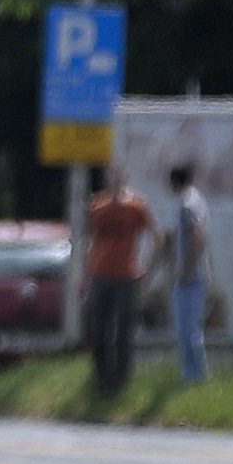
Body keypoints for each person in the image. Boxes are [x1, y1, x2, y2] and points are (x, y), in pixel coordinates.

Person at [84, 171, 156, 396]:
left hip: (125, 276)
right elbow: (92, 241)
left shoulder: (136, 206)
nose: (113, 181)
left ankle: (120, 382)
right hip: (100, 275)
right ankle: (101, 380)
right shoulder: (98, 205)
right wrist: (86, 275)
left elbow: (157, 238)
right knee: (99, 331)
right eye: (110, 178)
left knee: (123, 332)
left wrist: (147, 270)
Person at [162, 164, 213, 385]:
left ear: (174, 181)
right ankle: (193, 375)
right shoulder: (196, 201)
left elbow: (197, 237)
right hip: (195, 274)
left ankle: (193, 376)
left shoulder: (186, 205)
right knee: (190, 328)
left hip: (190, 277)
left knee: (187, 330)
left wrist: (186, 270)